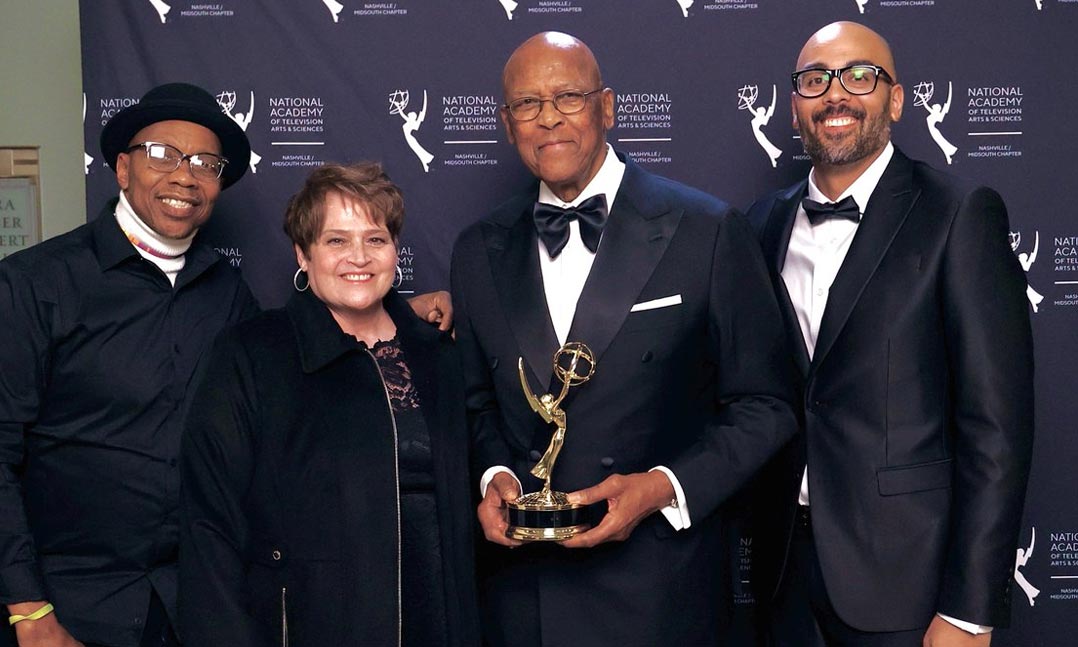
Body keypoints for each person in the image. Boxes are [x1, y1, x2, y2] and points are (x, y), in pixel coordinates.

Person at [0, 83, 450, 647]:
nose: (185, 176)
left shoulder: (228, 292)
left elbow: (311, 342)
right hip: (70, 606)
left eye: (205, 164)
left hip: (195, 602)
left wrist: (395, 314)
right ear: (120, 168)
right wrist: (28, 608)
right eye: (163, 154)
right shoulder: (34, 284)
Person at [451, 32, 798, 646]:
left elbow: (767, 406)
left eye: (568, 96)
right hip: (523, 599)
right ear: (507, 125)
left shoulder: (707, 231)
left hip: (660, 592)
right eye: (527, 104)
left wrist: (659, 487)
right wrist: (492, 478)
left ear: (607, 108)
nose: (548, 117)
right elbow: (475, 403)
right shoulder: (479, 249)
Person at [745, 22, 1034, 647]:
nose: (836, 94)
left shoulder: (958, 214)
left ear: (896, 101)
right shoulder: (761, 223)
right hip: (784, 577)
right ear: (794, 105)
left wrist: (969, 610)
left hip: (911, 582)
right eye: (815, 79)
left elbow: (997, 427)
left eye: (860, 75)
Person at [179, 163, 479, 647]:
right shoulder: (253, 353)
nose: (358, 257)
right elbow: (208, 520)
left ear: (395, 250)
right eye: (336, 241)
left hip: (438, 618)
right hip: (313, 624)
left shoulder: (439, 355)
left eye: (375, 239)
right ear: (303, 254)